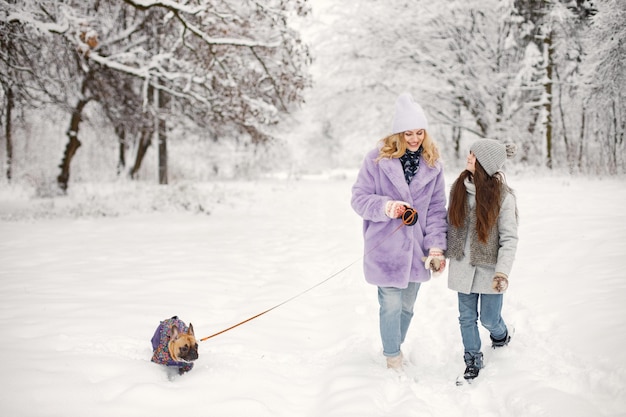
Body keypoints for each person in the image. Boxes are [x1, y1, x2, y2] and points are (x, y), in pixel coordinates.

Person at [351, 92, 448, 370]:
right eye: (408, 133)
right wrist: (387, 207)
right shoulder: (377, 160)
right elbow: (358, 198)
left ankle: (395, 344)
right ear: (397, 134)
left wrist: (436, 248)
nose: (415, 139)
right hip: (385, 248)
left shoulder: (433, 165)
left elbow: (436, 209)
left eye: (419, 132)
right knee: (391, 305)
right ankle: (392, 355)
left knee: (407, 307)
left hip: (417, 251)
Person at [446, 139, 518, 382]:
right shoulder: (458, 190)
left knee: (489, 319)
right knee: (466, 317)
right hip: (462, 266)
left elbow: (509, 239)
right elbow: (447, 226)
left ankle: (501, 334)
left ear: (486, 163)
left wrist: (502, 273)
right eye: (469, 153)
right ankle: (472, 357)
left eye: (474, 155)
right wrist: (436, 250)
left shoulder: (503, 197)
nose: (469, 158)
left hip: (490, 270)